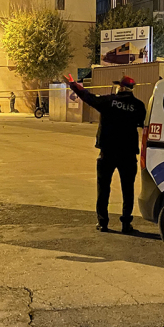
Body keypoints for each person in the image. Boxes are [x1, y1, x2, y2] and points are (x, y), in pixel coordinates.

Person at [64, 74, 146, 233]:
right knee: (128, 190)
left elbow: (88, 97)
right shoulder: (138, 106)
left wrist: (74, 84)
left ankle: (103, 223)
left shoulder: (108, 101)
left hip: (107, 152)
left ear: (121, 87)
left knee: (103, 189)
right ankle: (126, 224)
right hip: (128, 154)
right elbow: (143, 123)